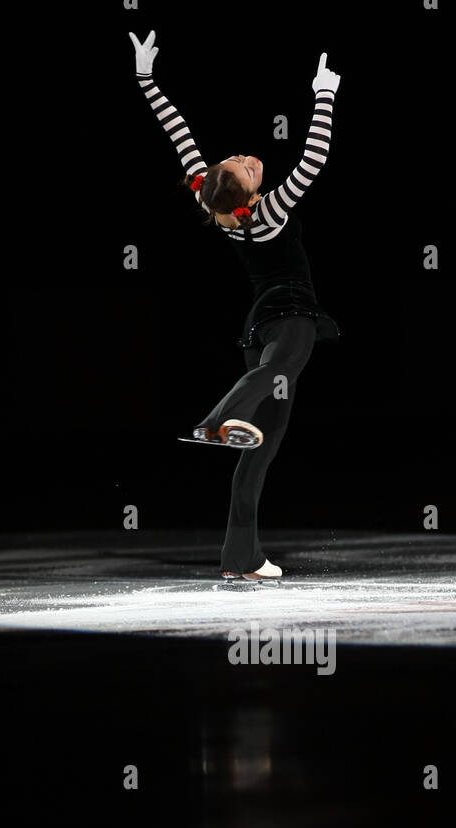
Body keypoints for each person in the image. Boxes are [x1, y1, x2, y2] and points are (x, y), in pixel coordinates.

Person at [130, 29, 341, 580]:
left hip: (259, 327)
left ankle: (240, 560)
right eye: (247, 168)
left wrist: (146, 80)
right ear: (247, 194)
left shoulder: (218, 201)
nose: (249, 158)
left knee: (261, 454)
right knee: (275, 382)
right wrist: (325, 94)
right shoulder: (268, 211)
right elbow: (313, 159)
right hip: (292, 317)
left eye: (241, 158)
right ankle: (218, 419)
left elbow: (179, 133)